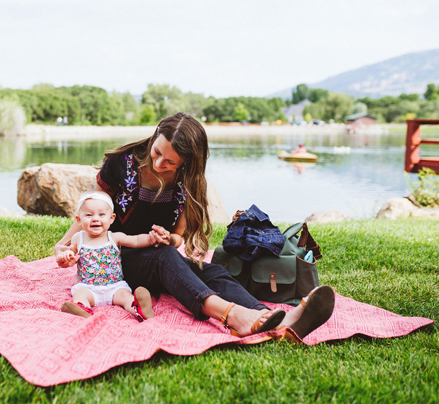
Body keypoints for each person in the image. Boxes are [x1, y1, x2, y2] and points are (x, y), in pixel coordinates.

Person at [55, 113, 335, 338]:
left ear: (188, 163)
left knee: (207, 270)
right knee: (166, 259)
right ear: (154, 138)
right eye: (156, 153)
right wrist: (65, 243)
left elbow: (179, 237)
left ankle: (274, 319)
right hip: (115, 259)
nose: (159, 162)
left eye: (170, 162)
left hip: (155, 253)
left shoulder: (188, 181)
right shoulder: (121, 164)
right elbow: (90, 211)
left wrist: (169, 239)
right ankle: (232, 315)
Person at [56, 191, 158, 321]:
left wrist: (152, 238)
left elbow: (136, 240)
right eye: (89, 215)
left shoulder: (114, 237)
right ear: (79, 220)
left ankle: (140, 309)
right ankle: (82, 309)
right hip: (88, 288)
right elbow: (70, 254)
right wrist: (66, 256)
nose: (95, 218)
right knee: (80, 294)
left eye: (102, 214)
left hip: (114, 287)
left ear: (111, 218)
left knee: (126, 297)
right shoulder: (78, 238)